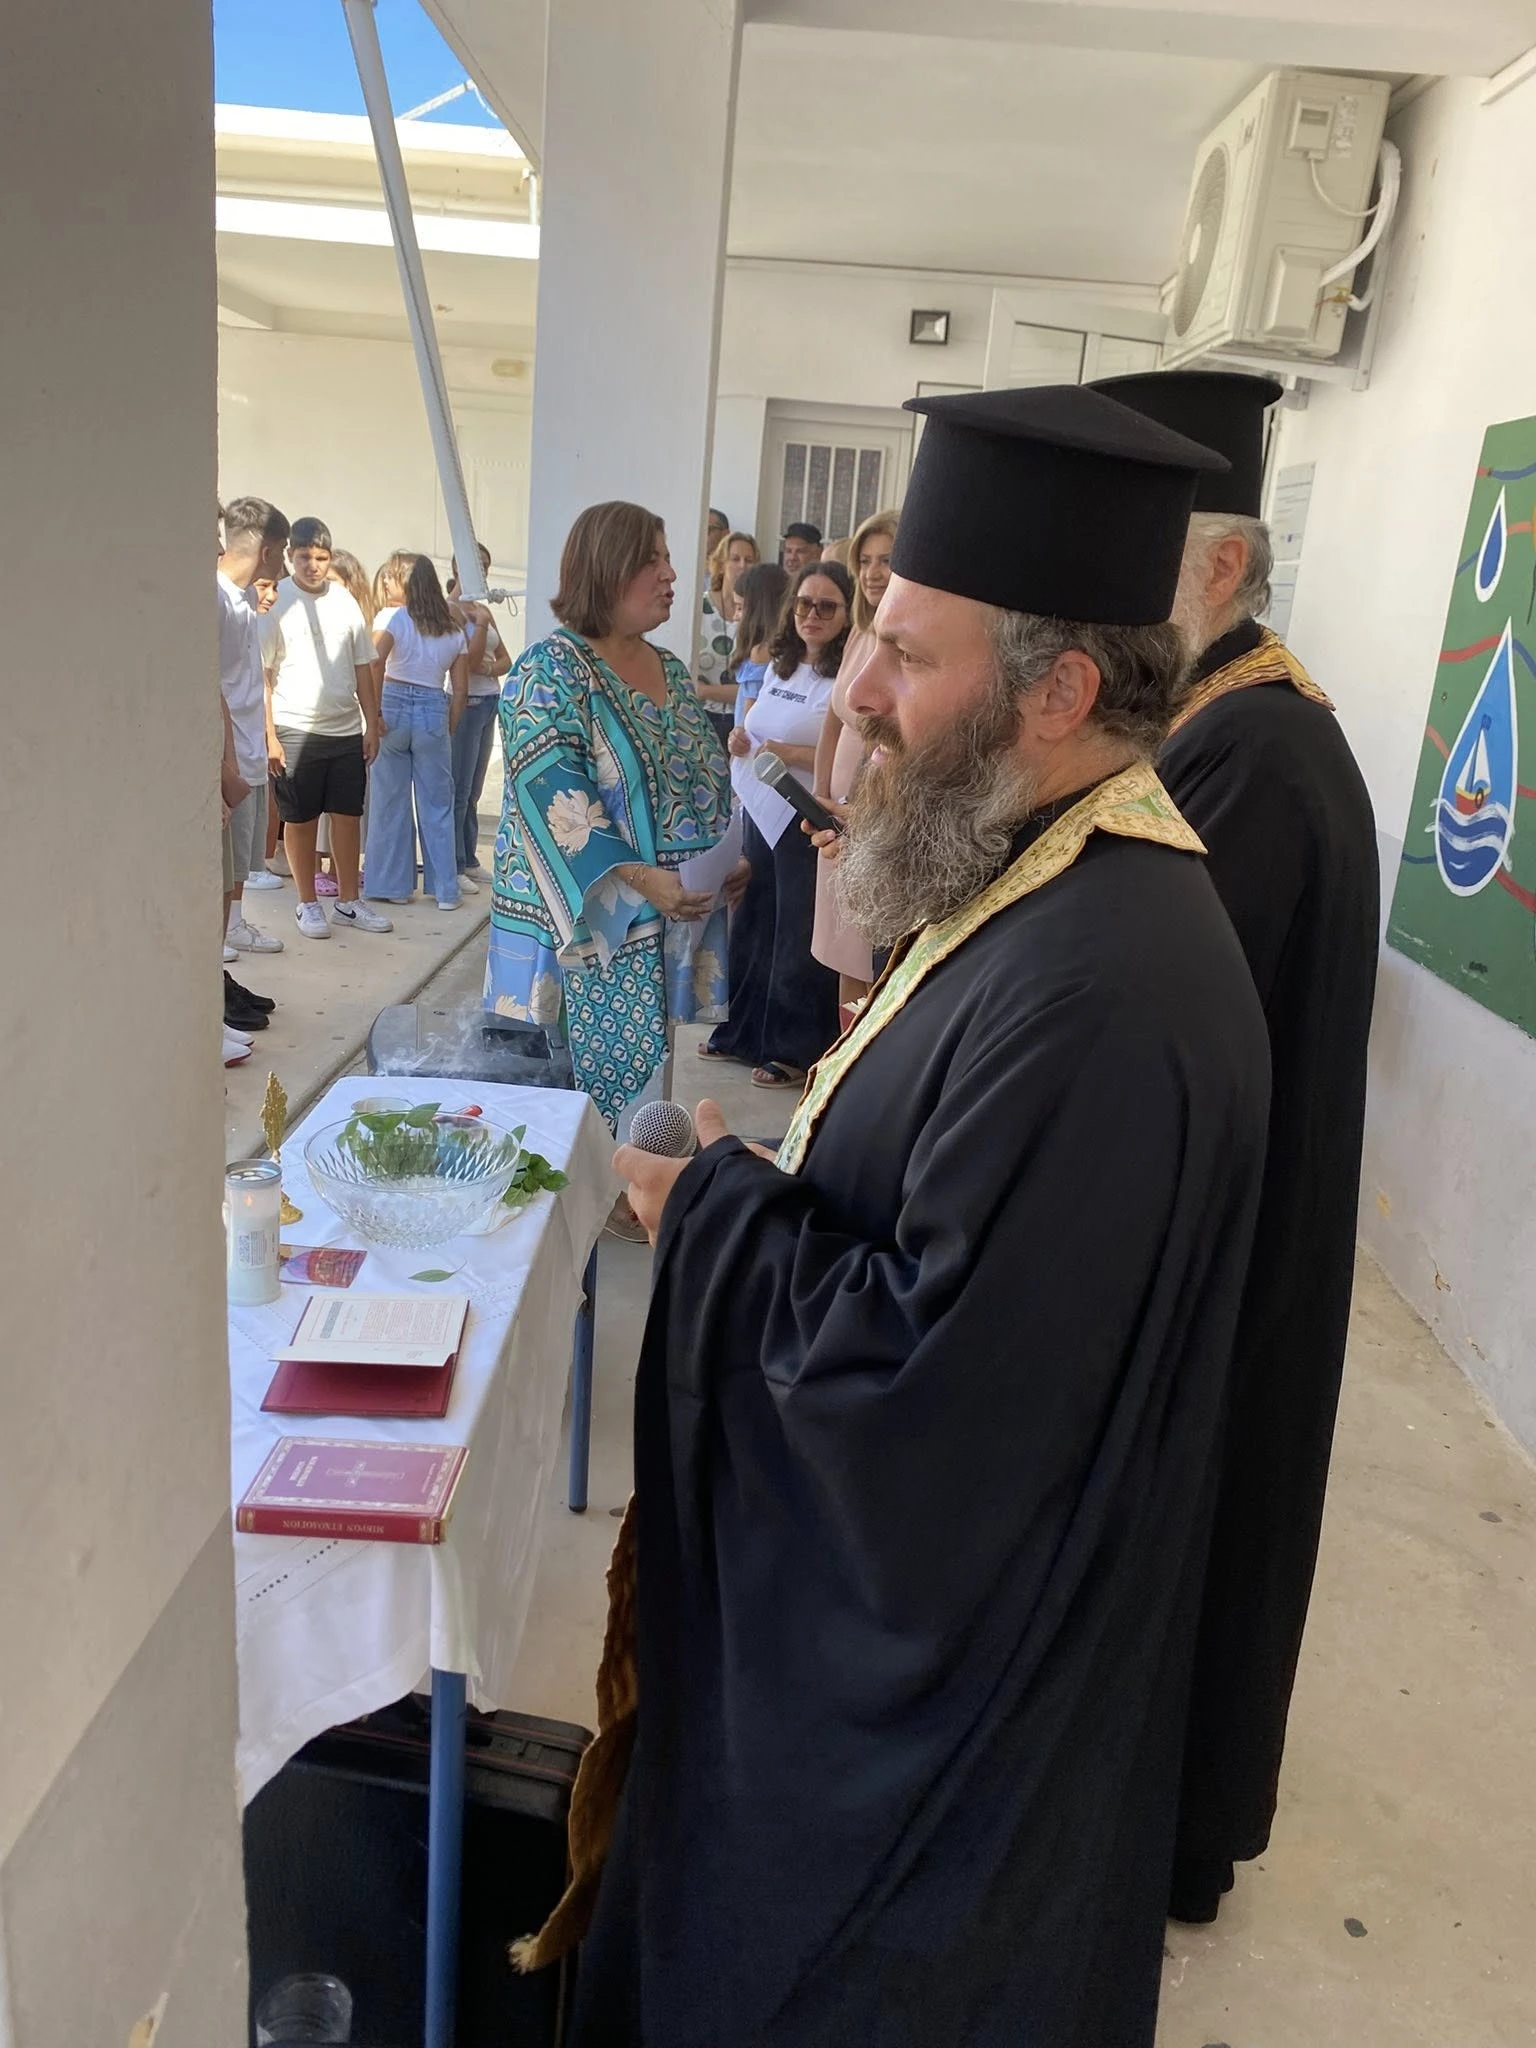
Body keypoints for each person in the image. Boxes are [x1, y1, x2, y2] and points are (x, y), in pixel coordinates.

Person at [521, 385, 1272, 2048]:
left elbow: (935, 1412)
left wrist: (710, 1213)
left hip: (948, 1793)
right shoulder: (1044, 881)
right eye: (867, 632)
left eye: (908, 654)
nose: (856, 688)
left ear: (1058, 694)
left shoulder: (1105, 993)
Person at [1092, 366, 1380, 1925]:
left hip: (1229, 1246)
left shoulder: (1254, 753)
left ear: (1217, 565)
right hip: (1230, 1222)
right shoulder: (1226, 719)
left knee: (1201, 1521)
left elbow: (1169, 1027)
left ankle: (1172, 1831)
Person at [484, 500, 738, 1142]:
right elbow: (553, 790)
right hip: (578, 923)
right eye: (652, 561)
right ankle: (596, 1178)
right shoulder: (547, 670)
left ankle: (632, 1174)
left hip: (664, 912)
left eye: (668, 559)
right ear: (606, 569)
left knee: (645, 1084)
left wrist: (728, 858)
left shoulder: (670, 670)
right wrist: (640, 877)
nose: (671, 574)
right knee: (562, 1100)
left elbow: (702, 777)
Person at [702, 560, 848, 1087]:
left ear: (847, 614)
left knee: (795, 930)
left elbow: (844, 750)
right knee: (753, 920)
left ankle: (792, 1049)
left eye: (827, 606)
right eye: (805, 604)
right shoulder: (780, 664)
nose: (812, 615)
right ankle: (741, 1032)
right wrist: (740, 739)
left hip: (804, 811)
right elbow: (756, 726)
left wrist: (786, 752)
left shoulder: (845, 675)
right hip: (761, 807)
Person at [260, 516, 390, 939]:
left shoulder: (345, 602)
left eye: (320, 557)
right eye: (304, 557)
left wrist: (371, 723)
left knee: (348, 815)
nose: (313, 566)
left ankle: (349, 902)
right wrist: (269, 735)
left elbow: (363, 666)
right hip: (295, 726)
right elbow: (264, 675)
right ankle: (307, 903)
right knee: (301, 819)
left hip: (345, 728)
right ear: (290, 556)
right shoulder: (277, 602)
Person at [811, 508, 898, 1009]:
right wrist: (818, 792)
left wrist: (861, 809)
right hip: (836, 814)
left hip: (876, 811)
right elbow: (833, 717)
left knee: (870, 955)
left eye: (886, 559)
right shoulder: (861, 632)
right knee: (842, 954)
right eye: (864, 561)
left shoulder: (904, 642)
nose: (872, 572)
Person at [365, 553, 476, 912]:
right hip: (433, 708)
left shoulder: (397, 619)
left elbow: (376, 661)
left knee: (390, 801)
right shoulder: (454, 630)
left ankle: (393, 886)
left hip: (394, 704)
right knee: (437, 804)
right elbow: (461, 690)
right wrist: (449, 725)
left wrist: (375, 714)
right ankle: (445, 890)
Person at [218, 497, 290, 1004]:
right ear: (266, 550)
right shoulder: (216, 600)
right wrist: (225, 767)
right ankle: (214, 994)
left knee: (238, 871)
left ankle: (221, 984)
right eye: (282, 552)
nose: (282, 566)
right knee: (220, 878)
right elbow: (211, 689)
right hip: (230, 759)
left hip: (248, 752)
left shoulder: (245, 600)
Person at [447, 543, 512, 894]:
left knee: (474, 787)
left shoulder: (483, 610)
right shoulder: (451, 609)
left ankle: (470, 857)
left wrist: (488, 666)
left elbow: (506, 660)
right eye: (477, 565)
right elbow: (467, 662)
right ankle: (455, 862)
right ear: (458, 567)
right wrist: (482, 629)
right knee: (458, 787)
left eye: (486, 565)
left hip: (489, 701)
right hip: (466, 702)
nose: (482, 571)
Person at [695, 529, 759, 740]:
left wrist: (705, 691)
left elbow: (755, 686)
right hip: (700, 719)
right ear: (721, 564)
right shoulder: (699, 608)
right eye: (735, 559)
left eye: (749, 560)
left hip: (741, 724)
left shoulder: (760, 616)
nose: (742, 565)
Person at [726, 561, 789, 728]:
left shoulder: (761, 653)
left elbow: (749, 721)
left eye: (740, 607)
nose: (735, 616)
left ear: (759, 610)